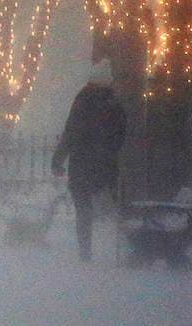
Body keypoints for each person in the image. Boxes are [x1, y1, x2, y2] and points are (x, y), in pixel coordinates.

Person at [51, 59, 127, 262]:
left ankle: (85, 251)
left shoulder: (83, 100)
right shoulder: (114, 105)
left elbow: (71, 132)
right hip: (106, 165)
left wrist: (58, 159)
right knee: (113, 206)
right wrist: (109, 151)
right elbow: (121, 134)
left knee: (83, 210)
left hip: (82, 164)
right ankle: (124, 248)